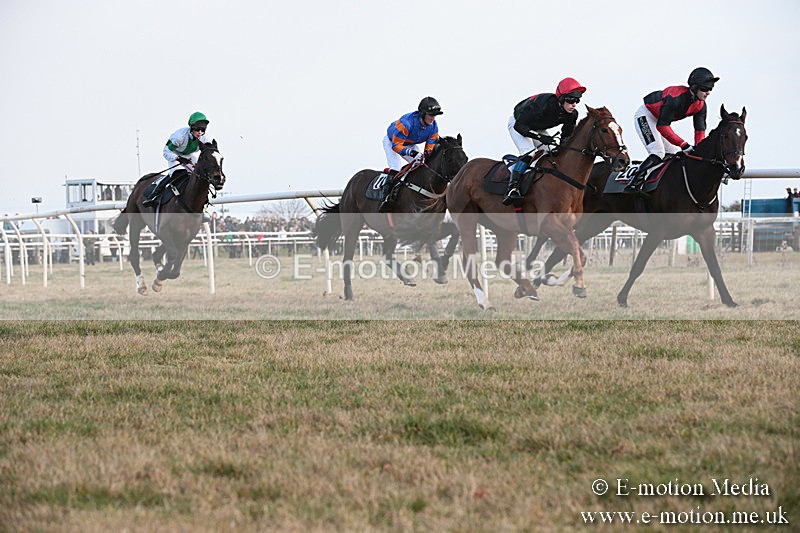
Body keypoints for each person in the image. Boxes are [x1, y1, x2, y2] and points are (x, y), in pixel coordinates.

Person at [626, 67, 719, 191]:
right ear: (694, 87)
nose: (708, 93)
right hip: (646, 115)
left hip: (660, 120)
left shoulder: (701, 105)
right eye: (705, 89)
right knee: (658, 152)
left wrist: (699, 150)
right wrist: (684, 144)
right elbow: (662, 127)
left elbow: (699, 132)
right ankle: (634, 182)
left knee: (674, 155)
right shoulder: (675, 97)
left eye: (710, 89)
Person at [504, 77, 586, 205]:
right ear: (561, 98)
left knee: (553, 152)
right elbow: (519, 126)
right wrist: (540, 138)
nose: (574, 104)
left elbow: (566, 136)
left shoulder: (572, 114)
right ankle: (513, 188)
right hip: (518, 123)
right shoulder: (542, 105)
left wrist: (561, 148)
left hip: (537, 127)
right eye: (571, 100)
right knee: (529, 152)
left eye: (577, 100)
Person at [378, 97, 443, 212]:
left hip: (409, 143)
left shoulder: (433, 128)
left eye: (435, 115)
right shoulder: (406, 123)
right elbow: (396, 146)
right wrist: (412, 153)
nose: (433, 118)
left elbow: (429, 149)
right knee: (396, 167)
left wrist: (426, 155)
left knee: (421, 165)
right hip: (392, 141)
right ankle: (386, 199)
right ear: (422, 114)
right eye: (430, 115)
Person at [142, 112, 210, 207]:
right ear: (191, 128)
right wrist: (178, 158)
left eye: (202, 130)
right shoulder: (179, 136)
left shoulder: (204, 139)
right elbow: (166, 151)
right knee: (176, 173)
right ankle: (153, 196)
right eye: (197, 129)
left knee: (199, 174)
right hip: (174, 154)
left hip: (188, 156)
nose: (200, 132)